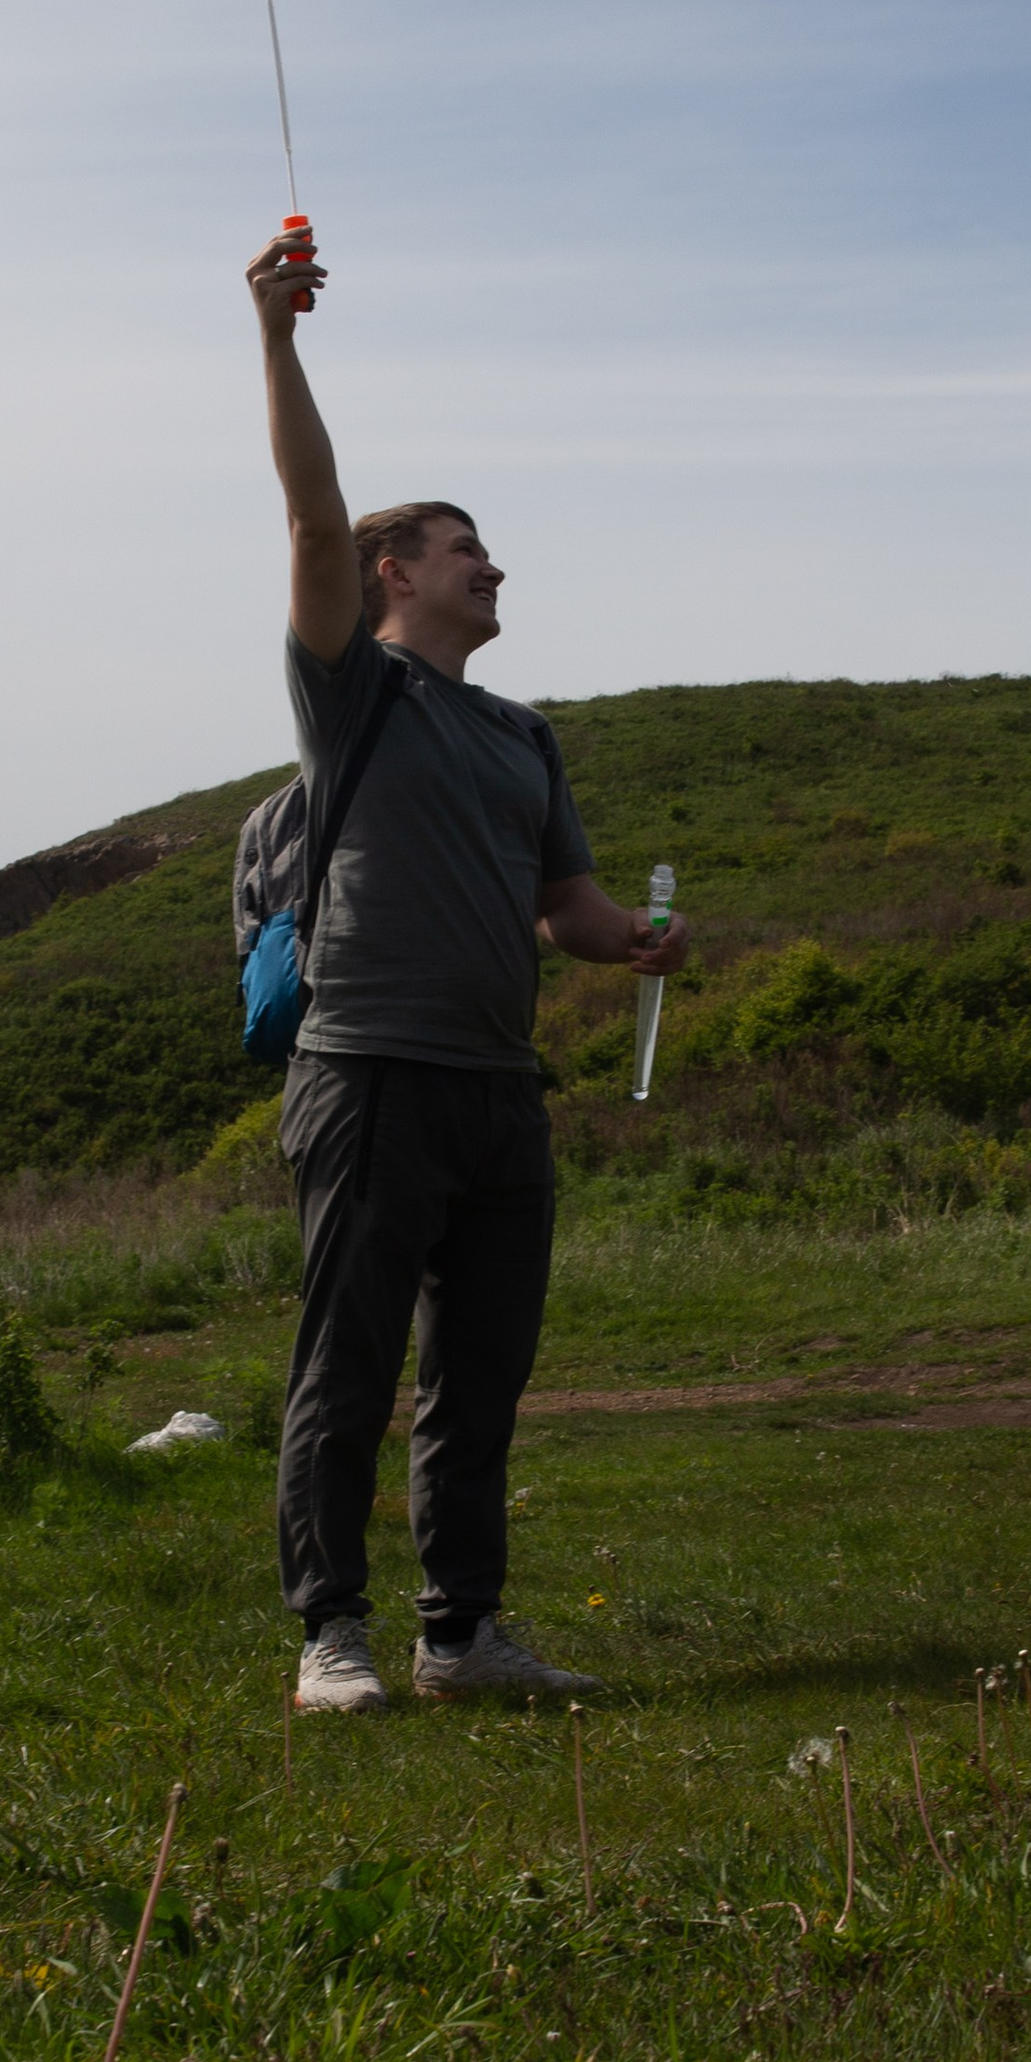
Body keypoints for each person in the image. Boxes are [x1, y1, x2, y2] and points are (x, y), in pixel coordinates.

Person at [246, 214, 689, 1711]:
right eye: (466, 548)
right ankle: (333, 1638)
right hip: (367, 1074)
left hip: (503, 1092)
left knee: (478, 1378)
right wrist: (280, 334)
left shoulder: (521, 735)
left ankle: (460, 1639)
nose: (496, 567)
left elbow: (564, 906)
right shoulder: (353, 693)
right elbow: (308, 520)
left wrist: (629, 938)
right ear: (393, 573)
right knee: (349, 1368)